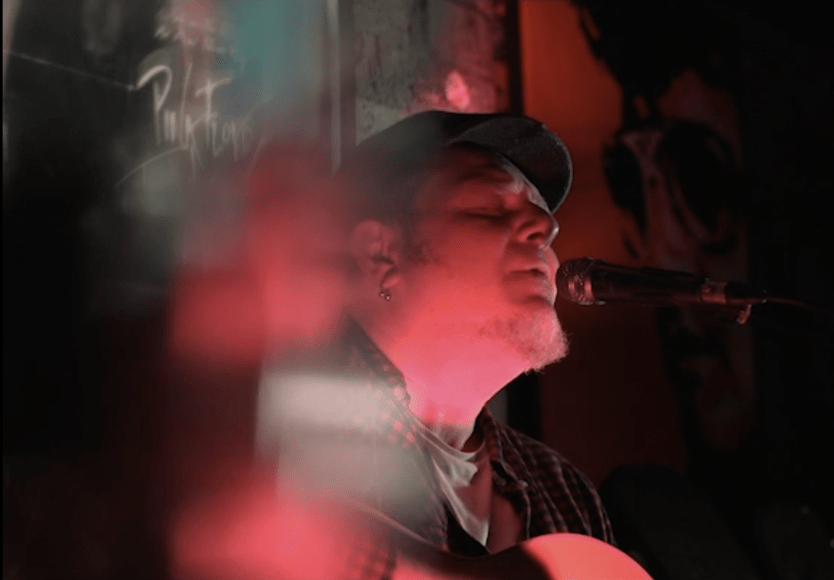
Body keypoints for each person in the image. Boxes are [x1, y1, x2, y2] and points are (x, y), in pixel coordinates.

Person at [173, 111, 616, 579]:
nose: (546, 228)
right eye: (490, 208)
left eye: (545, 215)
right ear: (380, 254)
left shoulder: (565, 493)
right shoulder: (271, 451)